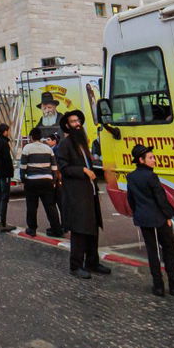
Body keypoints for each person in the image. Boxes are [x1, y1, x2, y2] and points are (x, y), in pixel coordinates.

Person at [127, 144, 174, 297]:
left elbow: (131, 199)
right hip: (158, 219)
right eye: (151, 158)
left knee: (152, 252)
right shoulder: (151, 176)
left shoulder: (131, 177)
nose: (154, 160)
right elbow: (161, 198)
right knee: (168, 251)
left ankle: (158, 286)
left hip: (143, 219)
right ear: (141, 160)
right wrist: (167, 216)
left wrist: (137, 213)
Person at [55, 111, 110, 280]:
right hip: (76, 195)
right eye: (73, 121)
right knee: (79, 231)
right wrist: (83, 170)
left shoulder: (82, 144)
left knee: (92, 228)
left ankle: (92, 262)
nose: (77, 123)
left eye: (78, 120)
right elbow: (64, 168)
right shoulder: (65, 144)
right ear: (67, 125)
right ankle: (76, 265)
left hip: (89, 193)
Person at [21, 128, 64, 238]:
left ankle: (32, 229)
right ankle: (56, 229)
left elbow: (23, 167)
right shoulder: (48, 149)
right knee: (50, 206)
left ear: (31, 137)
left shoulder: (27, 148)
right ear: (40, 137)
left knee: (31, 206)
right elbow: (54, 167)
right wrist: (53, 180)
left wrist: (24, 180)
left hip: (32, 181)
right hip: (47, 181)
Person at [0, 123, 15, 232]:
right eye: (8, 131)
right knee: (5, 197)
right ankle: (3, 223)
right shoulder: (4, 143)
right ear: (5, 131)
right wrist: (11, 172)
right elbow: (7, 159)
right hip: (4, 173)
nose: (9, 133)